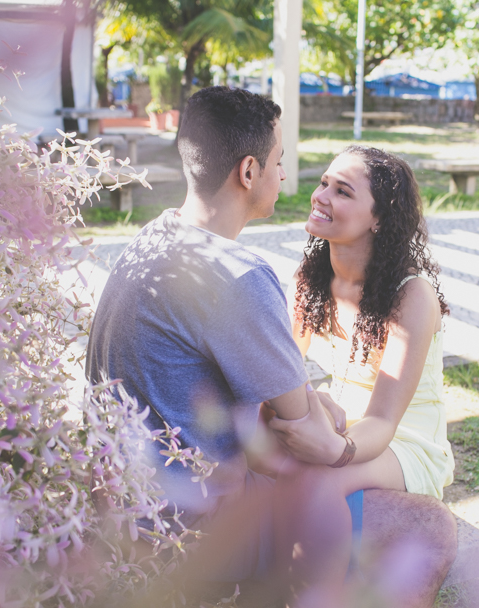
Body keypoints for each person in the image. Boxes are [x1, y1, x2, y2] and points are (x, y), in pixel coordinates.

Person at [85, 87, 456, 605]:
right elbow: (298, 418)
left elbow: (291, 406)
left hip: (126, 500)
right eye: (281, 162)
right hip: (192, 525)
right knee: (430, 527)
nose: (294, 181)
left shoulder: (150, 239)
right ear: (248, 171)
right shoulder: (240, 276)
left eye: (340, 189)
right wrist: (314, 410)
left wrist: (313, 413)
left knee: (312, 468)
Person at [268, 146, 455, 607]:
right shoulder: (311, 279)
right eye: (324, 183)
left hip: (403, 443)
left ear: (378, 218)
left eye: (343, 191)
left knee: (319, 483)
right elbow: (282, 372)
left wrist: (335, 450)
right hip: (345, 429)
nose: (321, 196)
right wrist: (308, 409)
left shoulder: (412, 295)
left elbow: (386, 422)